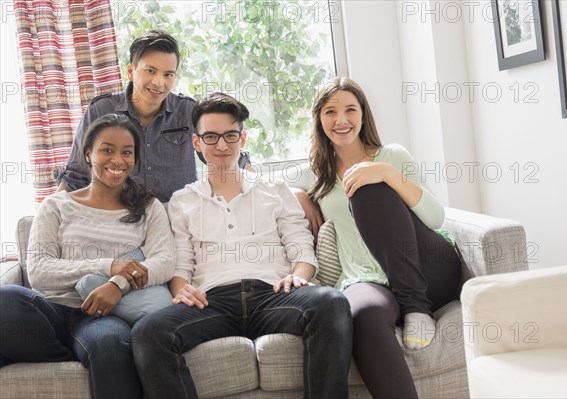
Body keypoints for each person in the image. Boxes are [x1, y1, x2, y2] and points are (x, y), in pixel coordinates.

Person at [131, 93, 353, 399]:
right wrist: (181, 288)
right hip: (212, 303)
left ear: (242, 138)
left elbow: (300, 247)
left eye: (230, 135)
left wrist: (299, 275)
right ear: (197, 143)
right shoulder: (183, 200)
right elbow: (181, 263)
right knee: (148, 333)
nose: (221, 145)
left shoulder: (274, 190)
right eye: (210, 137)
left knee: (331, 302)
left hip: (274, 295)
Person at [293, 77, 462, 399]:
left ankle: (416, 306)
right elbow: (257, 182)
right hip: (367, 278)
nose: (341, 120)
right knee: (361, 315)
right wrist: (298, 194)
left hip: (429, 268)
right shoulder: (314, 173)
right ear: (319, 120)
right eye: (330, 112)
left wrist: (387, 174)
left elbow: (436, 217)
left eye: (350, 110)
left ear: (363, 115)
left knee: (367, 186)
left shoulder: (392, 155)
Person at [0, 114, 176, 399]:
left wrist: (117, 284)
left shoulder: (149, 207)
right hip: (53, 311)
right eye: (107, 149)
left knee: (106, 341)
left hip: (104, 318)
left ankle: (89, 350)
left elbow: (164, 261)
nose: (117, 160)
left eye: (127, 152)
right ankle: (76, 351)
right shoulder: (56, 205)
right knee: (4, 299)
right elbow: (40, 270)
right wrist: (109, 265)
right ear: (87, 153)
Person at [56, 30, 196, 203]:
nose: (159, 82)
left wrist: (240, 162)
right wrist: (51, 212)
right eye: (150, 71)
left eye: (168, 74)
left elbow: (222, 148)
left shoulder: (188, 111)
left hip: (176, 219)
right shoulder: (101, 110)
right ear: (131, 71)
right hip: (120, 219)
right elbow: (75, 176)